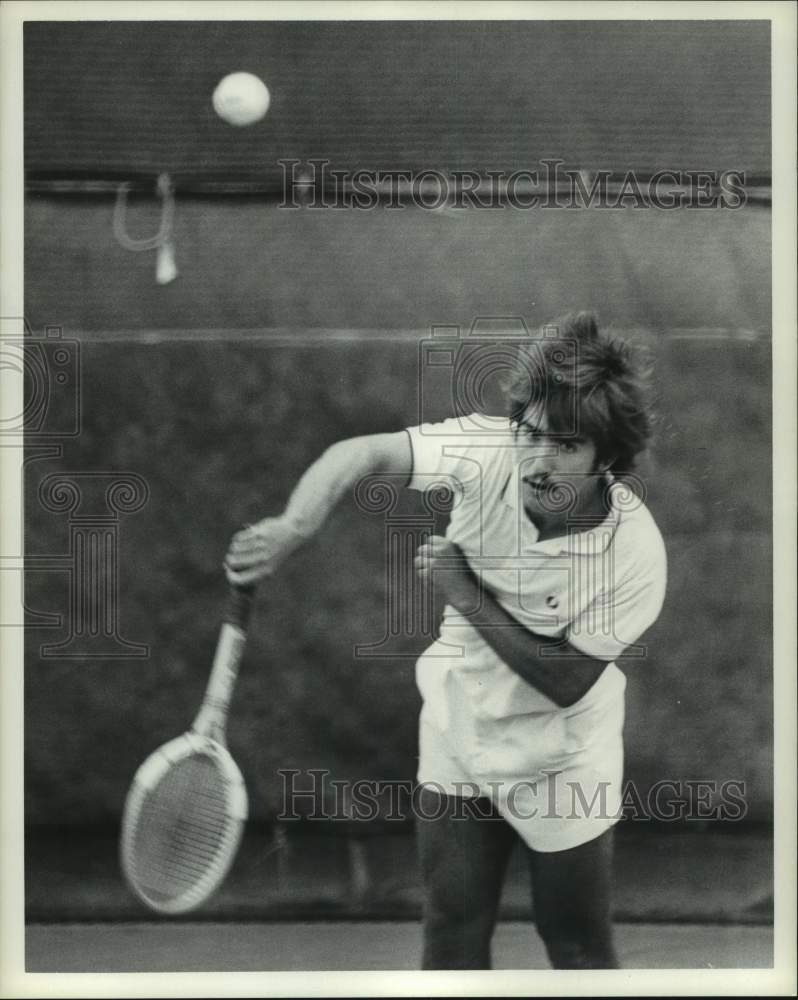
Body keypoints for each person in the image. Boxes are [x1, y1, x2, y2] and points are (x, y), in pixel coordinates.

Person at [225, 311, 667, 970]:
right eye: (529, 433)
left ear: (608, 457)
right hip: (460, 733)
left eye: (566, 445)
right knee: (452, 933)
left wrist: (465, 592)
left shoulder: (635, 552)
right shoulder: (485, 451)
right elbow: (362, 452)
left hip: (565, 758)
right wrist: (294, 526)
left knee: (576, 945)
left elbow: (567, 680)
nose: (537, 459)